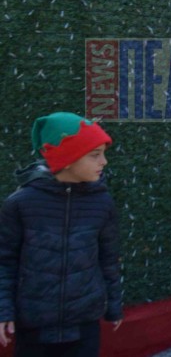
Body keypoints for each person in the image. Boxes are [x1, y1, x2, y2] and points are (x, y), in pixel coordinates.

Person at [0, 113, 123, 355]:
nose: (104, 162)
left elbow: (109, 258)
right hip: (33, 324)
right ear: (67, 159)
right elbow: (4, 261)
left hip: (84, 323)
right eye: (95, 155)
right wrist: (3, 310)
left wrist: (114, 306)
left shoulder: (102, 202)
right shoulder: (21, 204)